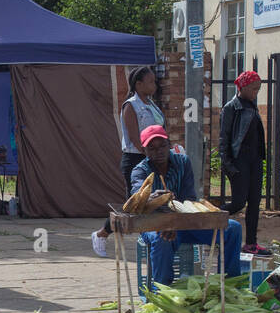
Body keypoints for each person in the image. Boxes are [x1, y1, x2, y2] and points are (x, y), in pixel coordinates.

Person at [93, 125, 242, 286]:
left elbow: (189, 198)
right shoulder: (140, 171)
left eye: (162, 145)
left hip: (184, 224)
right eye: (152, 148)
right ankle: (162, 290)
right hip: (154, 225)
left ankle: (229, 284)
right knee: (162, 238)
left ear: (169, 144)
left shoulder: (182, 163)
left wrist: (175, 223)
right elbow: (139, 201)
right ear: (145, 151)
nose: (159, 151)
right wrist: (152, 198)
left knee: (232, 228)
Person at [220, 70, 269, 255]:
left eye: (258, 89)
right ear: (243, 87)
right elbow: (224, 139)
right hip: (239, 161)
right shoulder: (231, 108)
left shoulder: (252, 106)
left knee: (255, 202)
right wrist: (227, 164)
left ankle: (251, 243)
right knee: (239, 202)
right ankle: (212, 218)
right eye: (254, 88)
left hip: (255, 161)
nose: (256, 92)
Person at [119, 65, 165, 193]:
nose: (154, 84)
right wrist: (151, 155)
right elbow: (134, 138)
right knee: (138, 200)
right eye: (150, 81)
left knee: (155, 197)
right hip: (136, 159)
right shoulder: (131, 106)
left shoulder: (151, 105)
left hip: (153, 158)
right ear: (139, 84)